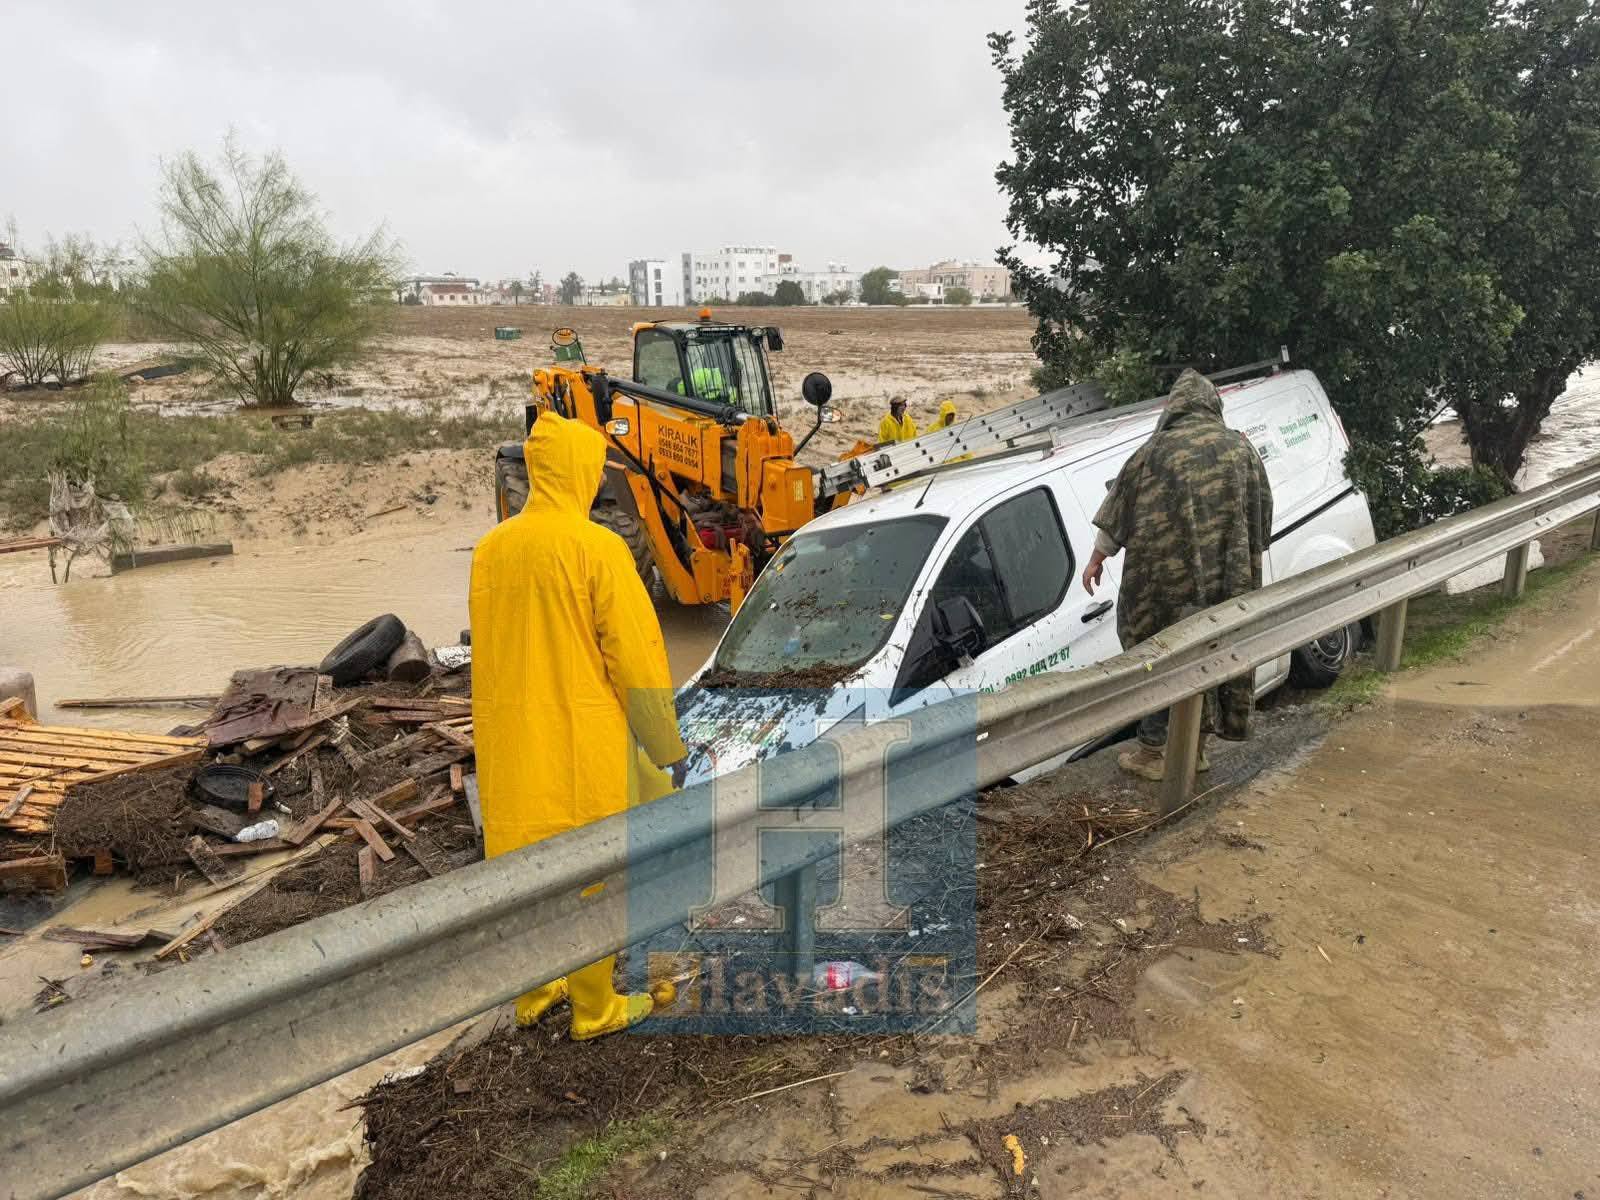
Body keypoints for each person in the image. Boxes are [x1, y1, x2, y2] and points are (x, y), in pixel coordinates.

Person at [470, 411, 688, 1039]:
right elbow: (637, 658)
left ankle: (536, 992)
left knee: (523, 871)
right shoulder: (598, 548)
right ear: (581, 471)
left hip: (510, 745)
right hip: (580, 743)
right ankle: (595, 1007)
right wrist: (665, 744)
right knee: (594, 874)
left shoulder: (492, 550)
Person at [1081, 368, 1273, 781]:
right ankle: (1195, 750)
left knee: (1154, 655)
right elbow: (1262, 520)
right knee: (1212, 653)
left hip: (1163, 586)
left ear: (1176, 406)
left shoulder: (1154, 451)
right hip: (1227, 579)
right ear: (1211, 405)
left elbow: (1118, 513)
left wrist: (1097, 559)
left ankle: (1154, 752)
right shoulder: (1241, 449)